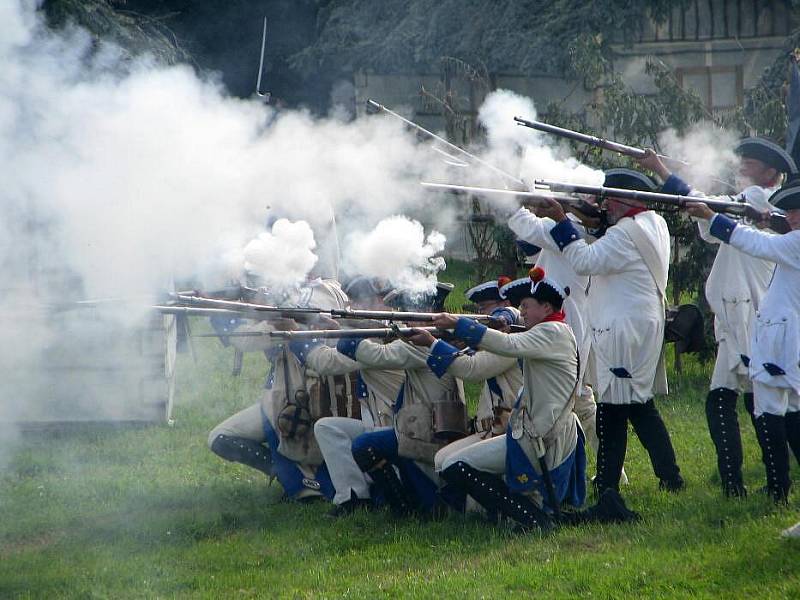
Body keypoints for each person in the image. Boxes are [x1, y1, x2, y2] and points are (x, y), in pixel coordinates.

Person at [640, 139, 797, 497]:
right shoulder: (748, 205)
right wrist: (662, 170)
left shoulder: (762, 201)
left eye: (751, 163)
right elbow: (708, 210)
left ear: (771, 174)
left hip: (750, 314)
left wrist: (663, 171)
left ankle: (762, 484)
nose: (741, 167)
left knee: (749, 402)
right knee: (743, 401)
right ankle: (750, 482)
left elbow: (712, 210)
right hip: (736, 312)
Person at [538, 169, 685, 493]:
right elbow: (604, 233)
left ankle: (608, 491)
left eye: (609, 200)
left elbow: (585, 261)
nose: (606, 207)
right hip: (639, 325)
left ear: (625, 199)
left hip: (621, 329)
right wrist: (582, 213)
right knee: (638, 406)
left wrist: (563, 220)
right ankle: (669, 477)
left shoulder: (624, 233)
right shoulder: (653, 223)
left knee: (612, 411)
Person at [410, 268, 587, 530]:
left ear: (546, 306)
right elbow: (505, 345)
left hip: (542, 436)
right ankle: (513, 515)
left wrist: (456, 323)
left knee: (456, 466)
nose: (522, 311)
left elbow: (509, 347)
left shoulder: (552, 332)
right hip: (533, 432)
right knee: (451, 464)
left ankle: (531, 519)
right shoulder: (549, 332)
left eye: (526, 305)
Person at [686, 180, 800, 503]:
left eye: (796, 211)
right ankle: (779, 490)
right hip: (782, 337)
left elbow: (751, 242)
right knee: (787, 415)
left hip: (779, 339)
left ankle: (779, 491)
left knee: (772, 415)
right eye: (788, 211)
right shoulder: (792, 239)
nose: (790, 216)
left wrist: (712, 216)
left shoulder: (795, 243)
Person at [206, 277, 349, 502]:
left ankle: (304, 483)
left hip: (315, 401)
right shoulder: (312, 295)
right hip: (281, 397)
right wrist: (221, 305)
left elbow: (245, 340)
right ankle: (283, 474)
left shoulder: (321, 295)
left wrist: (219, 308)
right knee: (220, 437)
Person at [344, 287, 467, 516]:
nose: (402, 317)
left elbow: (376, 355)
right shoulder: (441, 339)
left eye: (409, 311)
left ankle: (406, 507)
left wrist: (340, 333)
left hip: (429, 432)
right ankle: (417, 502)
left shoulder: (422, 345)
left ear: (428, 311)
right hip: (426, 426)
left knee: (364, 446)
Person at [300, 276, 406, 516]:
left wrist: (302, 339)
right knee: (328, 428)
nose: (354, 308)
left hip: (399, 424)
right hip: (379, 420)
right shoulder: (379, 328)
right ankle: (353, 496)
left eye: (364, 302)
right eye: (355, 303)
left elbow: (327, 362)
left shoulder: (384, 334)